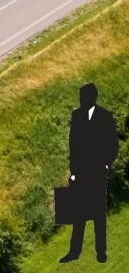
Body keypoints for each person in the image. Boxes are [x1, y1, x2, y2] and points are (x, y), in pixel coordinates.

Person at [63, 83, 119, 263]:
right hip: (80, 173)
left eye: (83, 96)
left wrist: (105, 165)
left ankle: (101, 253)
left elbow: (113, 145)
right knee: (78, 214)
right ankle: (74, 252)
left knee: (98, 215)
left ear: (91, 97)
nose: (80, 100)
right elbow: (73, 145)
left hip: (97, 173)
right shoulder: (77, 116)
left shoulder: (105, 117)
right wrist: (73, 172)